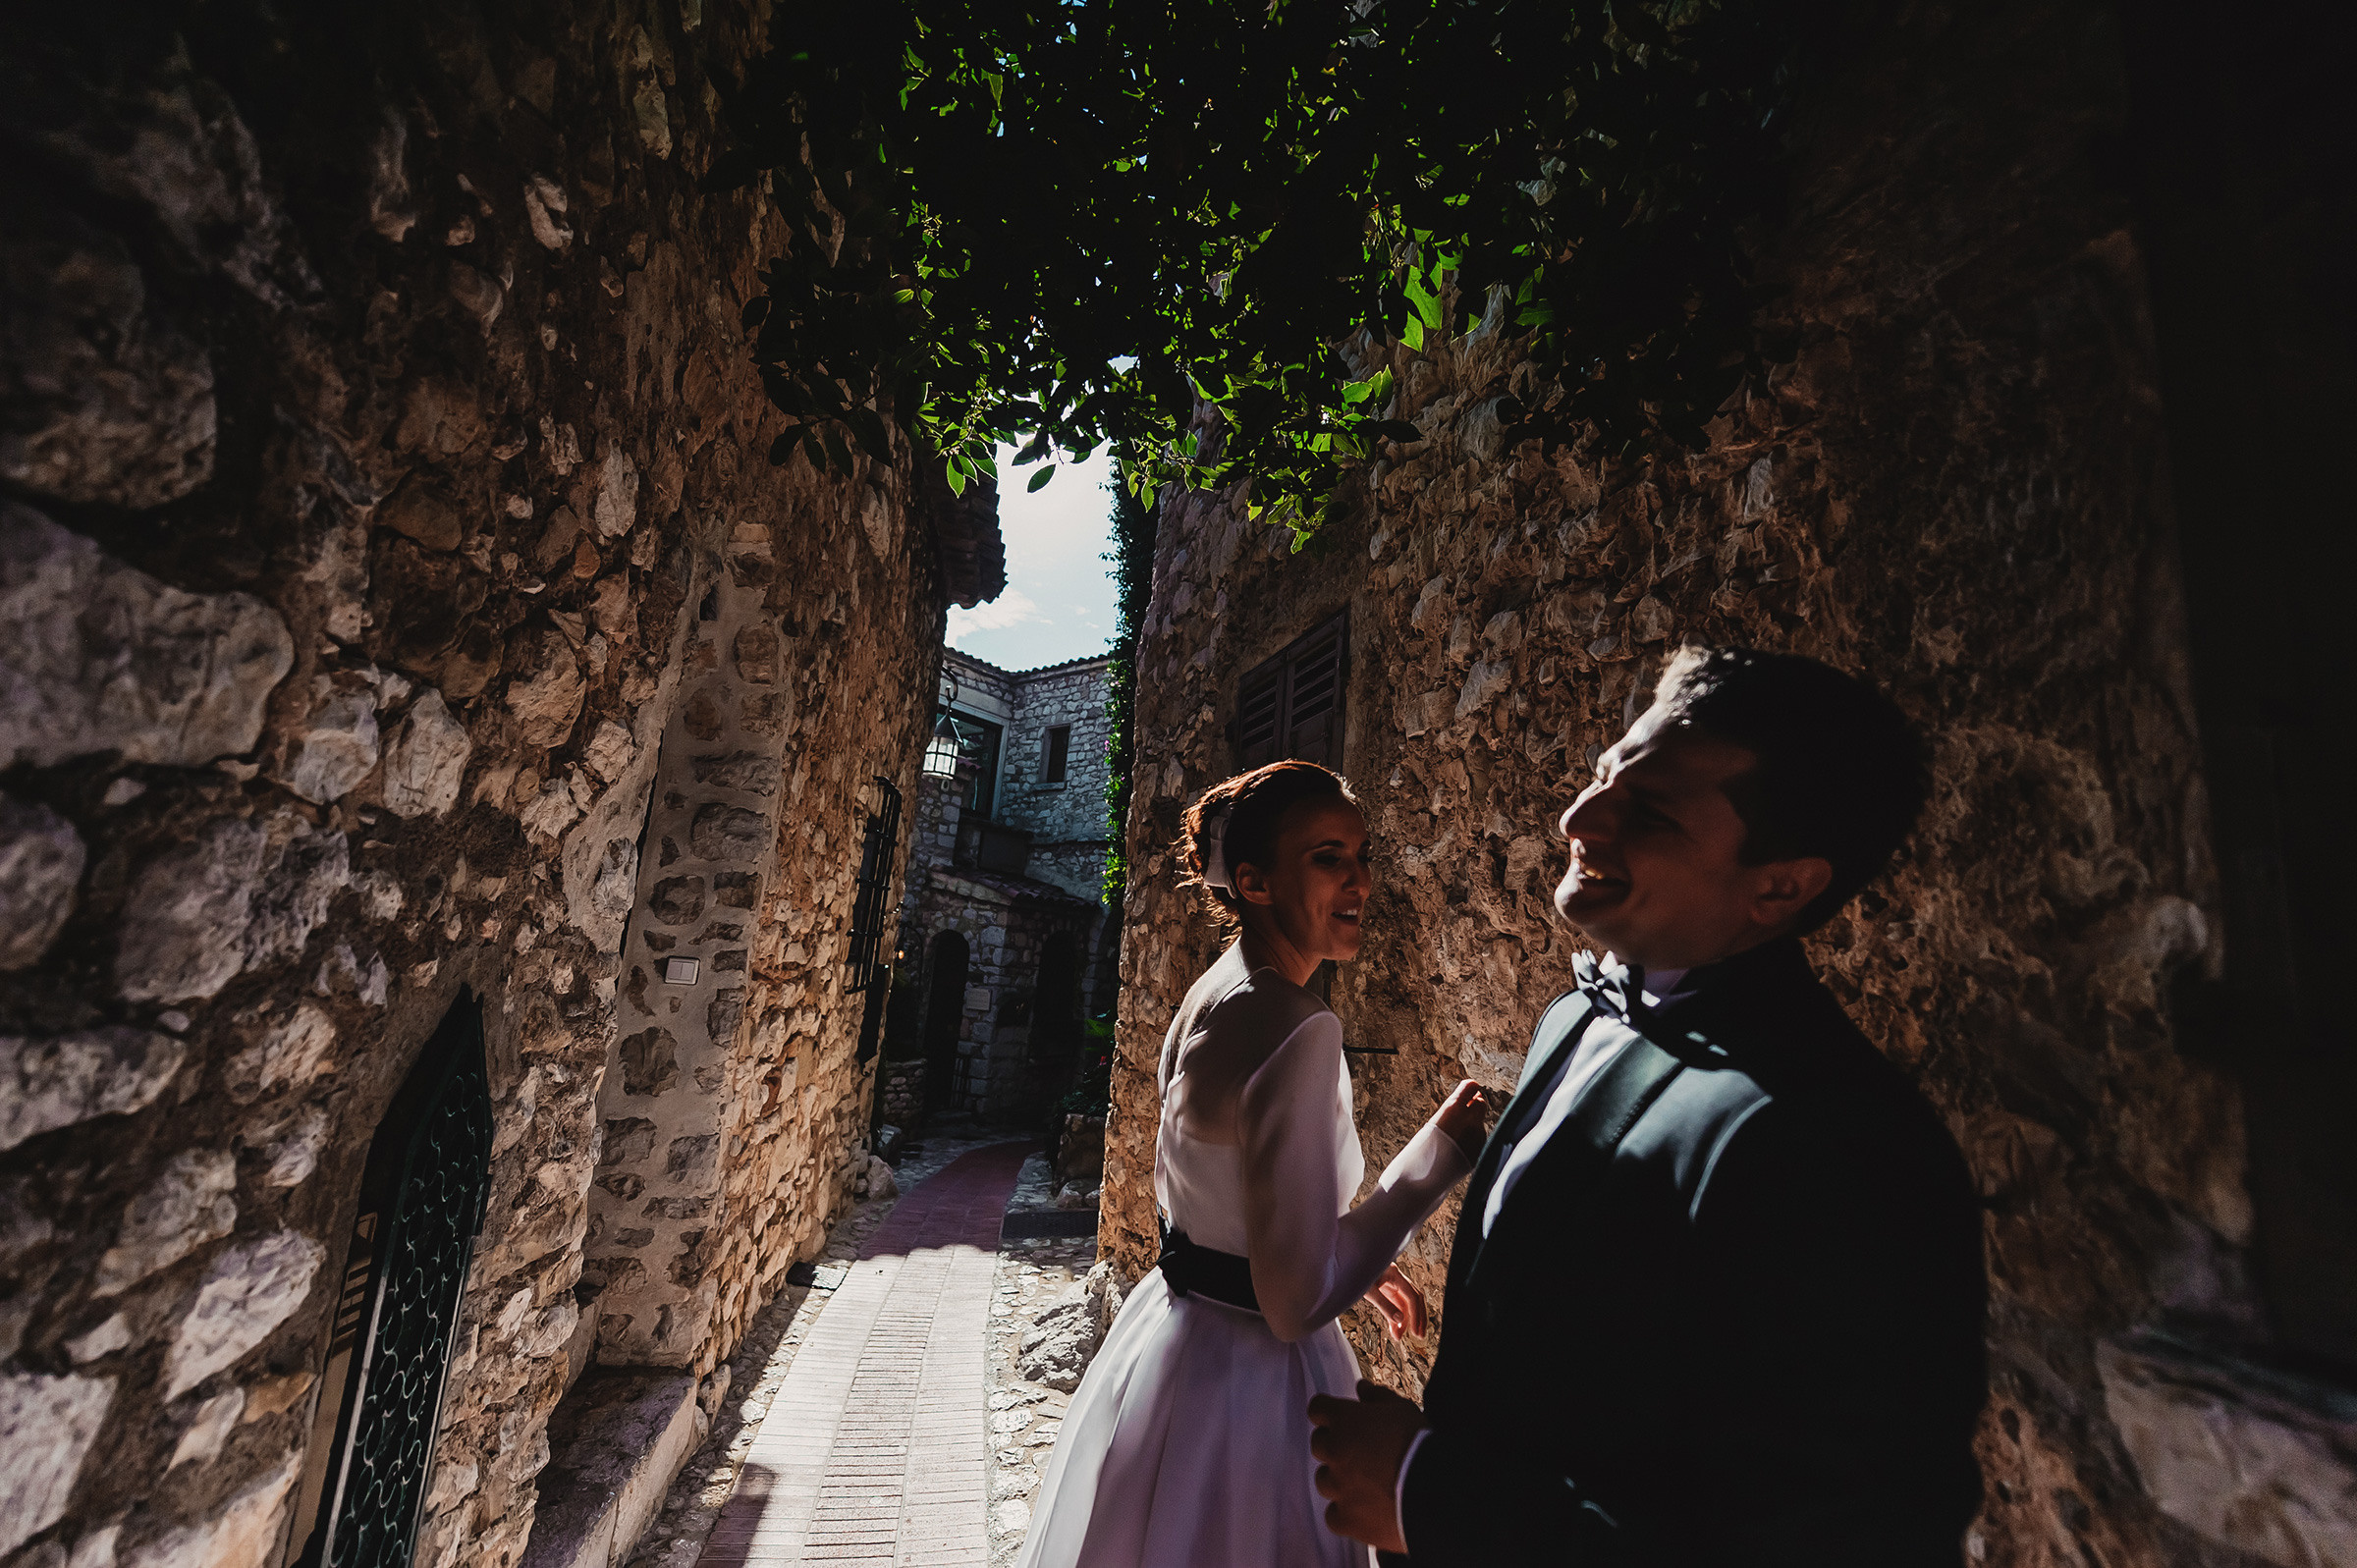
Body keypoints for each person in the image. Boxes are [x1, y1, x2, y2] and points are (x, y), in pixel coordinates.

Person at [1308, 646, 1988, 1565]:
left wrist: (1424, 1493)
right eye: (1602, 775)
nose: (1577, 816)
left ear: (1781, 883)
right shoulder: (1571, 1016)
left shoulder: (1838, 1143)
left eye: (1654, 811)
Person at [1017, 759, 1490, 1568]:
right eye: (1328, 856)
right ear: (1254, 881)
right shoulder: (1296, 1024)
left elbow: (1219, 1200)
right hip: (1256, 1392)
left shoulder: (1214, 993)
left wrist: (1333, 1242)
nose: (1360, 879)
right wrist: (1441, 1156)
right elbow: (1294, 1302)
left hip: (1173, 1343)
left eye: (1362, 853)